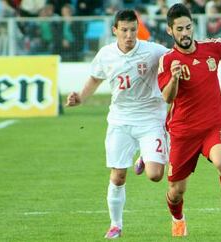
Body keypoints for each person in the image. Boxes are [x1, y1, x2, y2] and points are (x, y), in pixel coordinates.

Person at [65, 9, 168, 239]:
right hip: (120, 120)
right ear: (115, 31)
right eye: (124, 30)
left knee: (155, 175)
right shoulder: (106, 54)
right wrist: (81, 97)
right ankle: (115, 224)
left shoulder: (153, 51)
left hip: (151, 118)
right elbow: (95, 77)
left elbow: (178, 57)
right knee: (118, 175)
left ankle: (144, 155)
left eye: (133, 30)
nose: (129, 35)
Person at [157, 3, 221, 237]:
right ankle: (178, 218)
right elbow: (167, 98)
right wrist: (174, 78)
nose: (185, 33)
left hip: (213, 124)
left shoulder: (212, 47)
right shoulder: (167, 60)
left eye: (188, 27)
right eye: (179, 29)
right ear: (170, 31)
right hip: (183, 132)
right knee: (176, 192)